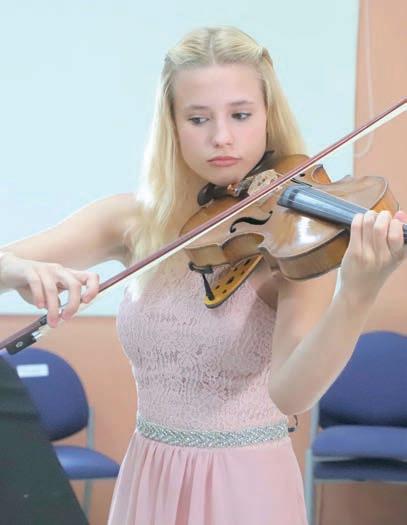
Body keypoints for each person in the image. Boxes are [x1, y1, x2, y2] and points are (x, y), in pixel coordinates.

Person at [0, 26, 406, 525]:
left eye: (241, 114)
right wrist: (17, 268)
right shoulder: (133, 221)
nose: (221, 137)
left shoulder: (298, 235)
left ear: (268, 116)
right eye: (198, 118)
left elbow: (293, 394)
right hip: (150, 473)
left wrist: (358, 295)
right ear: (171, 124)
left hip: (245, 485)